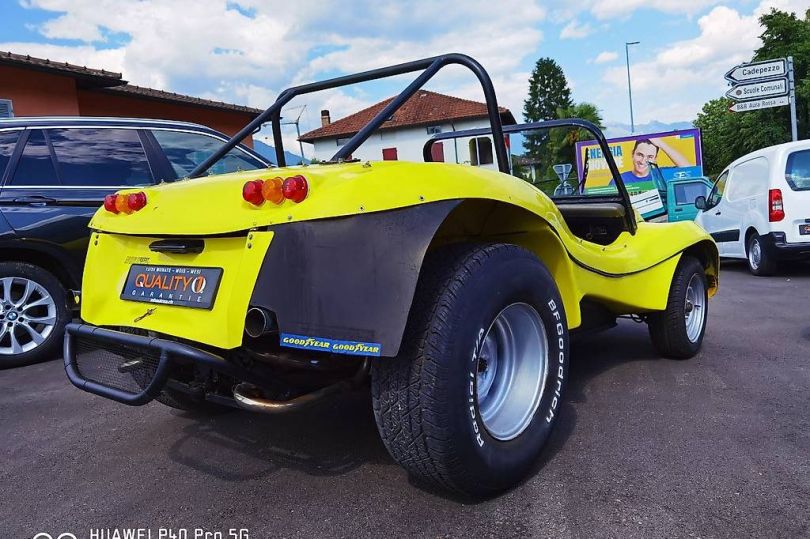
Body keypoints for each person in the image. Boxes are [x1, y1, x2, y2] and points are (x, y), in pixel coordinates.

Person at [611, 137, 690, 186]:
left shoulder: (662, 175)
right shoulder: (619, 180)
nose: (643, 161)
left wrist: (661, 144)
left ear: (655, 159)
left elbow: (689, 169)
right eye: (640, 155)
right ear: (632, 154)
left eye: (650, 157)